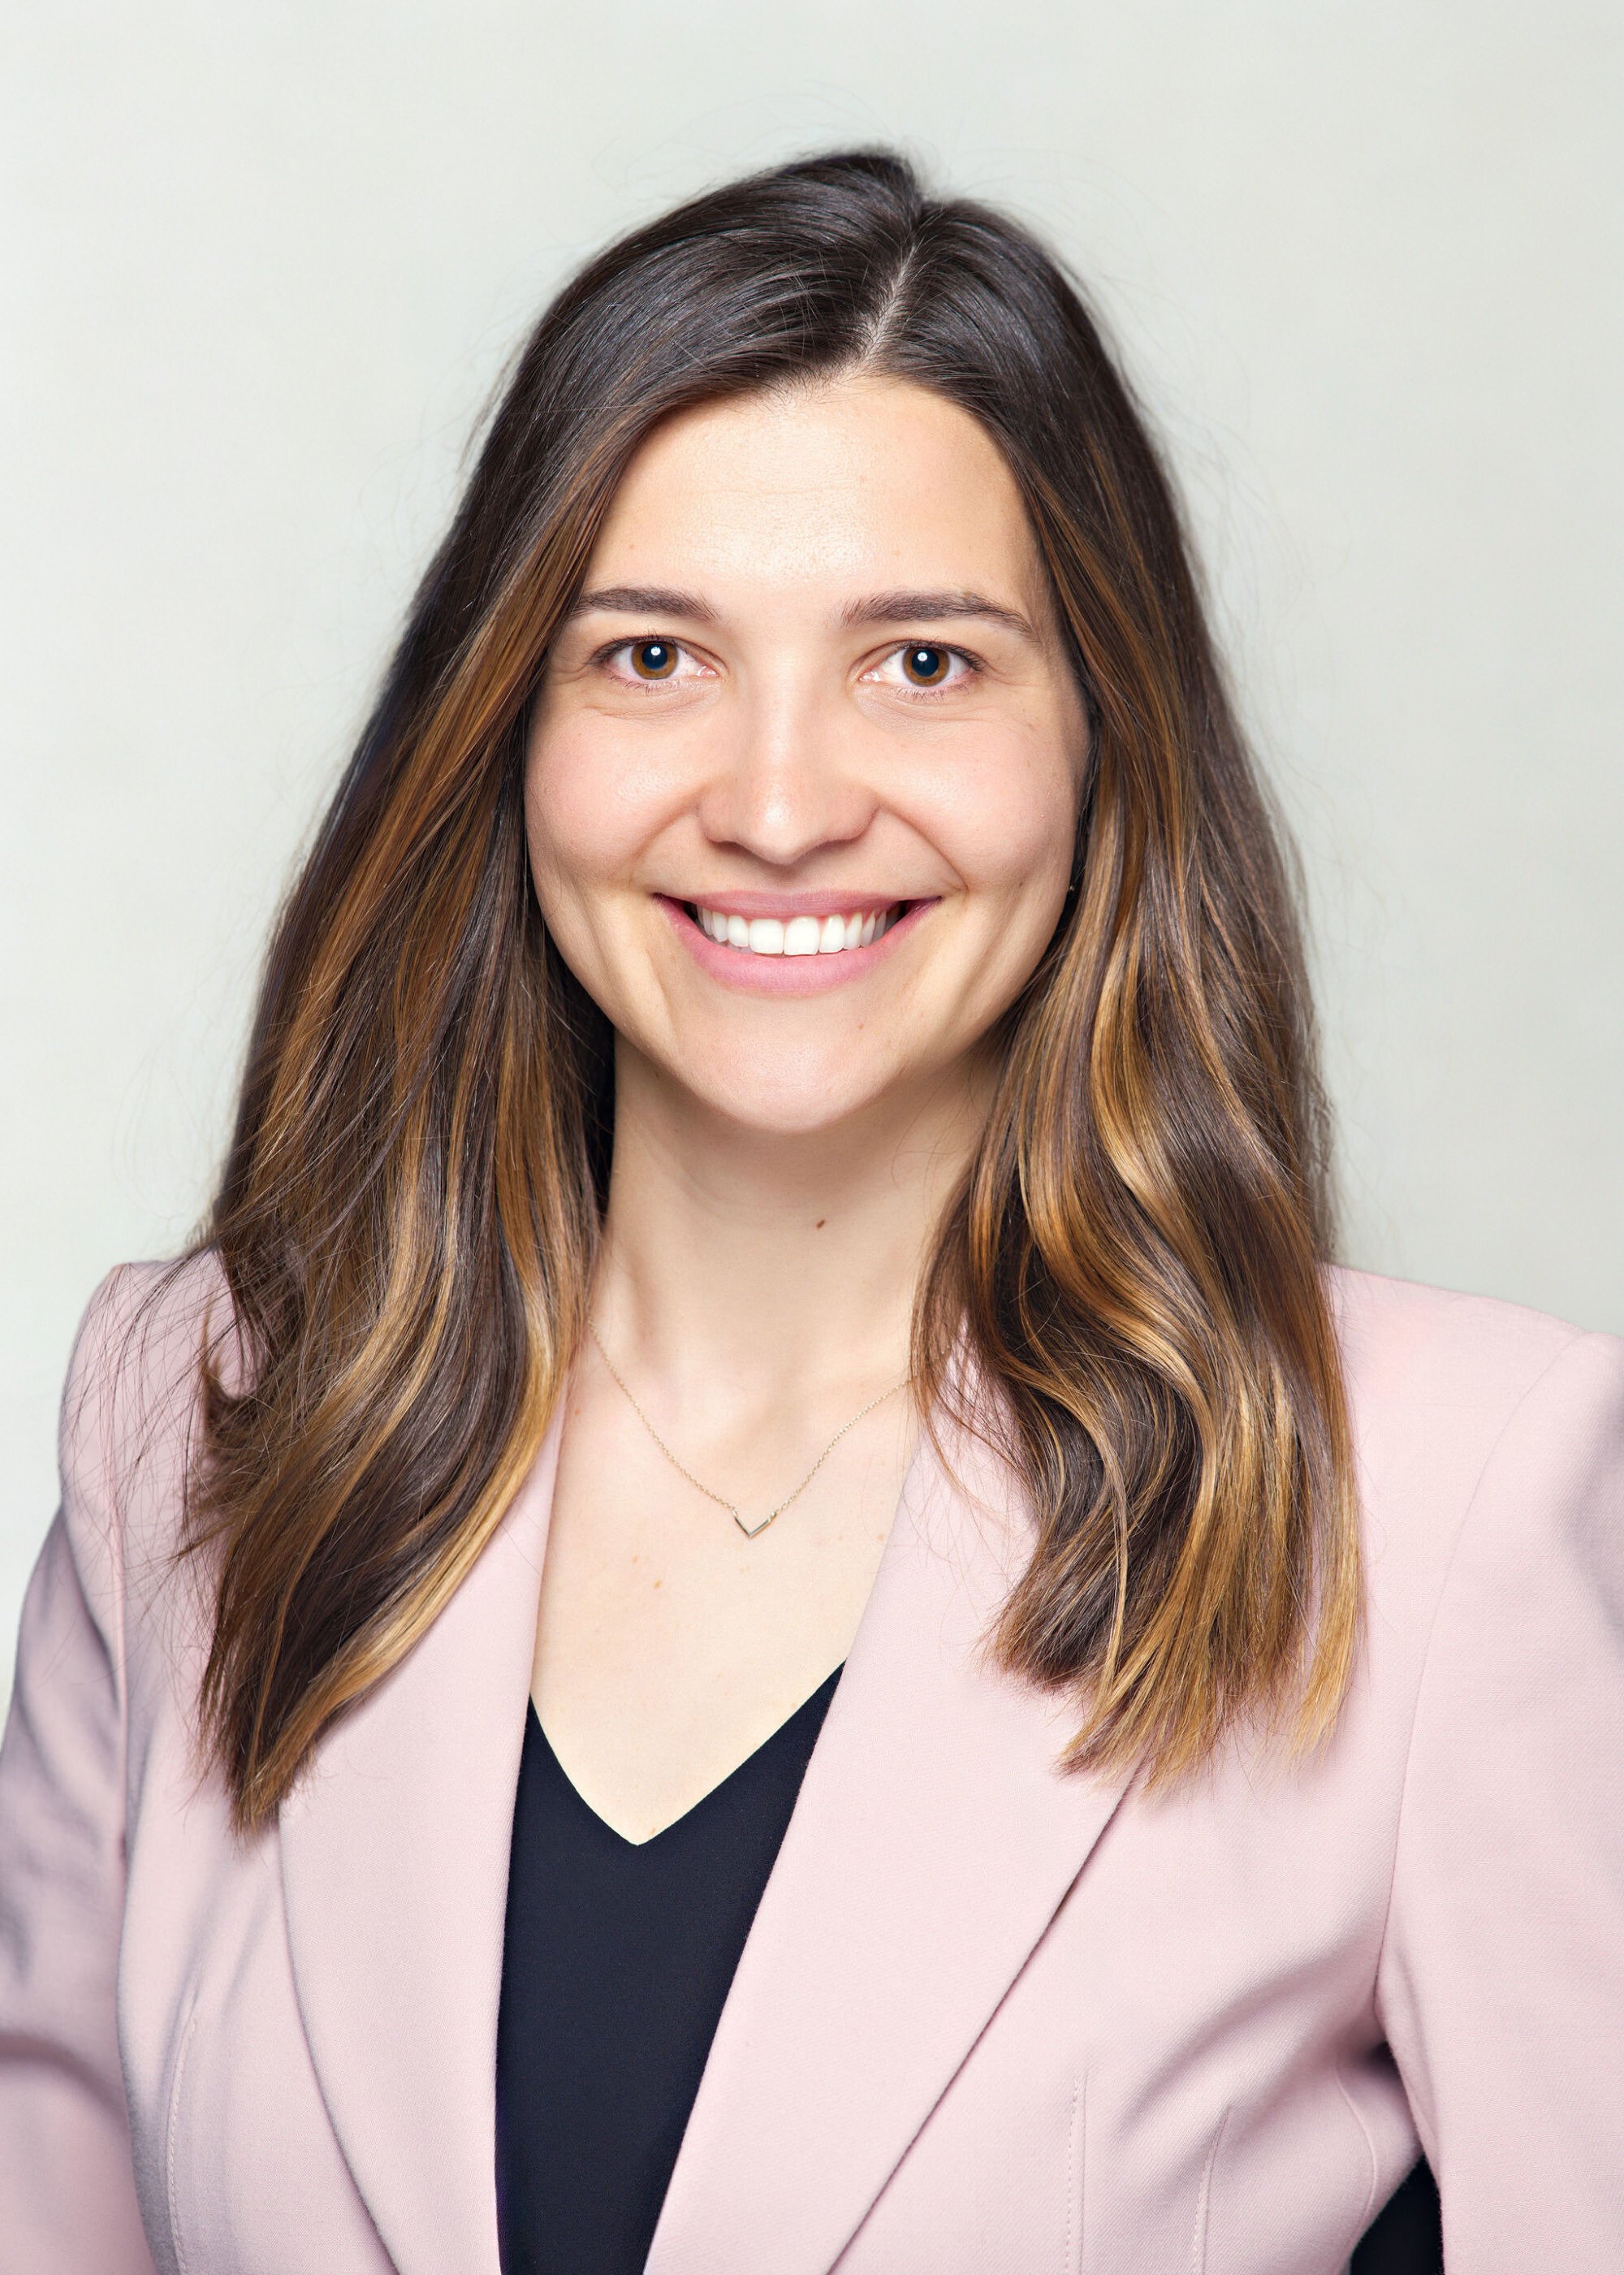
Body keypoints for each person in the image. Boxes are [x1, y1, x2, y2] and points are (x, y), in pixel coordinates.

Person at [0, 149, 1618, 2275]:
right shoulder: (193, 1421)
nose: (777, 804)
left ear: (1099, 740)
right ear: (507, 728)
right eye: (652, 654)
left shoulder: (1460, 1494)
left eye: (923, 665)